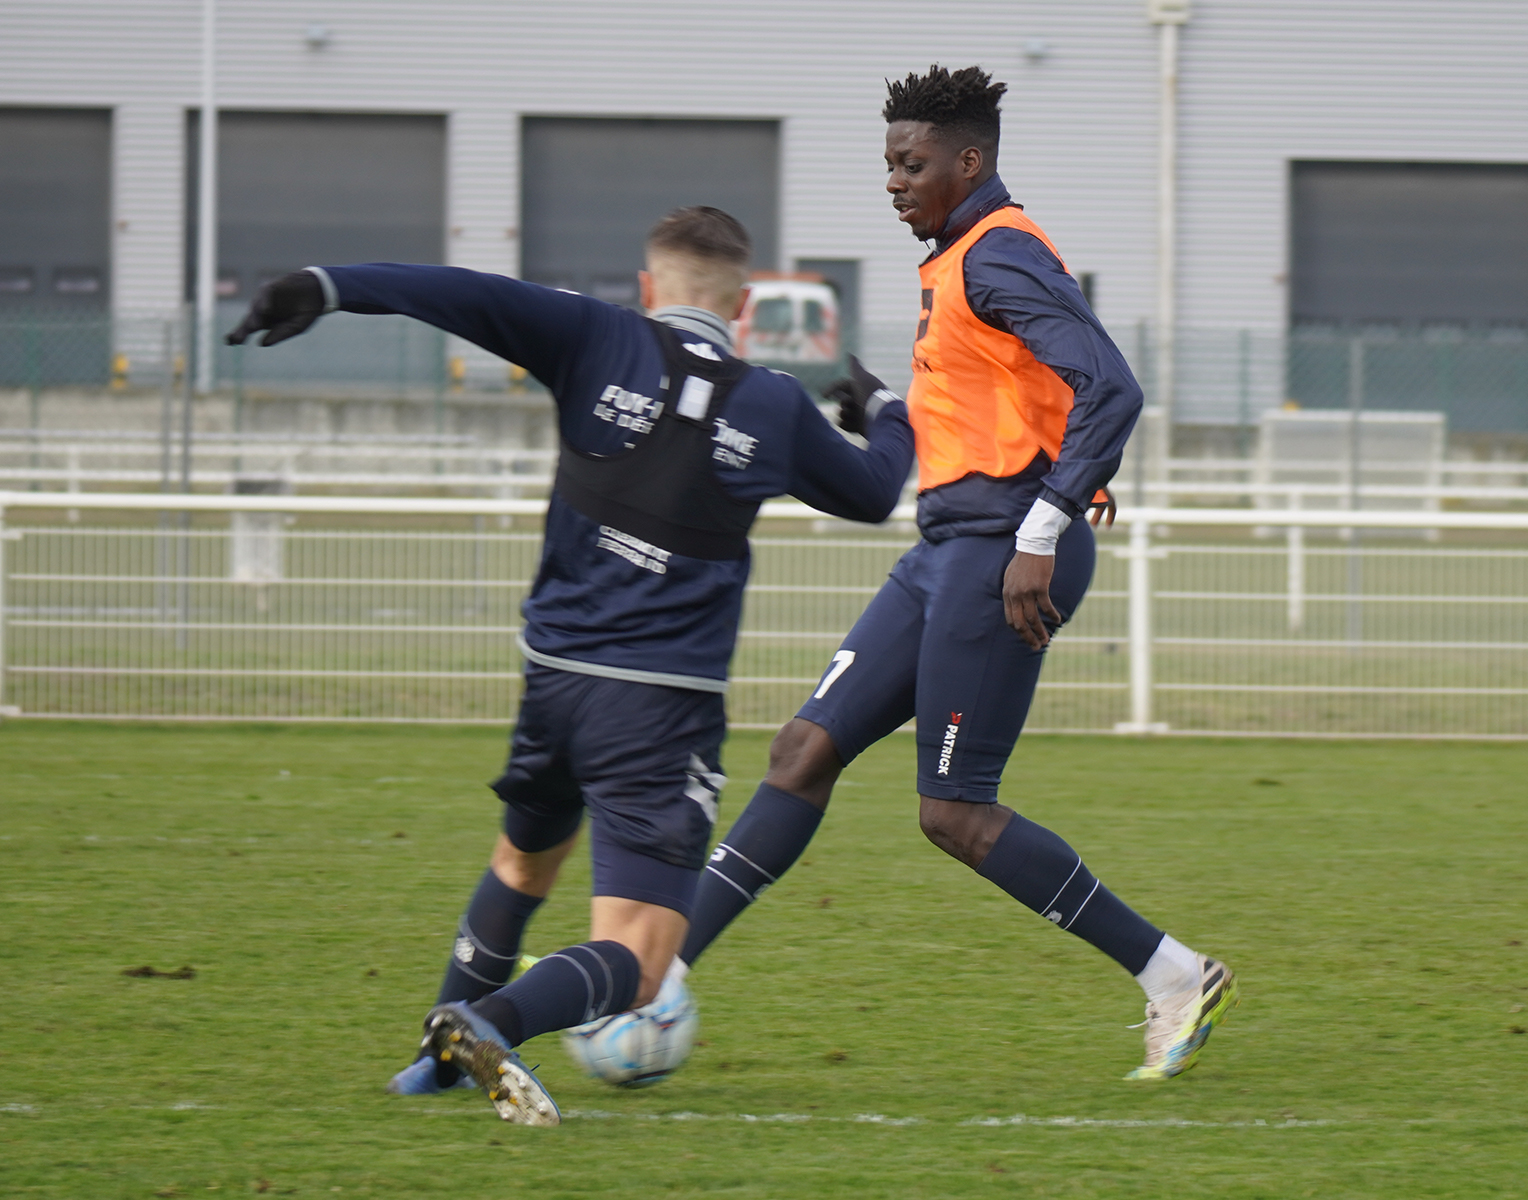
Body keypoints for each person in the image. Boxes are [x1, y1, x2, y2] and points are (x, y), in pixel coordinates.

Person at [227, 207, 914, 1124]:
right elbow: (873, 495)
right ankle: (483, 1022)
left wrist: (324, 285)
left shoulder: (595, 337)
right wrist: (887, 414)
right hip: (658, 710)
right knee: (640, 962)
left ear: (646, 289)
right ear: (742, 305)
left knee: (521, 864)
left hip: (553, 679)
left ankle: (426, 1068)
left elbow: (463, 295)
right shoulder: (774, 404)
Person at [674, 67, 1238, 1081]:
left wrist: (1042, 528)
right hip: (946, 551)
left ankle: (1170, 973)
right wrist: (882, 397)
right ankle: (656, 971)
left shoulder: (999, 253)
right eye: (888, 164)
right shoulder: (953, 260)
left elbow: (1112, 388)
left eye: (912, 164)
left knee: (953, 812)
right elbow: (990, 406)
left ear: (967, 162)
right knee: (802, 750)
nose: (893, 182)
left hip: (1006, 551)